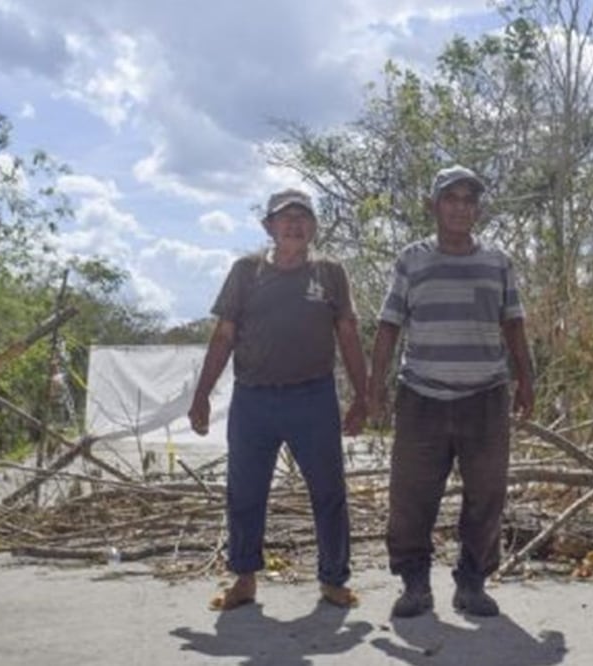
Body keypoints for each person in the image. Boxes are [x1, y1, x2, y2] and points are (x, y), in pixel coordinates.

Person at [188, 188, 368, 611]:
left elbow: (347, 333)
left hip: (314, 397)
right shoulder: (245, 272)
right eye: (285, 218)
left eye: (303, 217)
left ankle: (333, 579)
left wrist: (364, 395)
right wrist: (201, 395)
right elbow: (225, 335)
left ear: (314, 227)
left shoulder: (330, 273)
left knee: (328, 490)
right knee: (245, 491)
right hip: (253, 399)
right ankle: (244, 579)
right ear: (269, 227)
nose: (294, 224)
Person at [368, 165, 534, 619]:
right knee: (411, 497)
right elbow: (388, 327)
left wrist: (527, 381)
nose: (461, 207)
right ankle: (415, 584)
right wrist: (374, 389)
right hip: (421, 397)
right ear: (433, 205)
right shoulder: (411, 260)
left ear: (478, 209)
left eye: (469, 200)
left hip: (486, 397)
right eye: (451, 198)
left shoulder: (497, 261)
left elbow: (514, 324)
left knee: (486, 496)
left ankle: (473, 583)